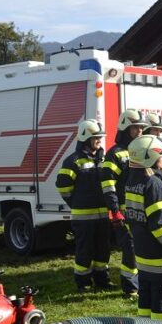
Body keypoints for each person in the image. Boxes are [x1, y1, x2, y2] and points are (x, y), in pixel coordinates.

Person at [124, 135, 162, 324]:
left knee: (146, 296)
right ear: (149, 158)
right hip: (160, 255)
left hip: (142, 252)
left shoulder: (132, 181)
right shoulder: (154, 185)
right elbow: (161, 224)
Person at [55, 119, 112, 292]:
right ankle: (83, 282)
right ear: (85, 137)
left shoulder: (103, 159)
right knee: (85, 250)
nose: (99, 141)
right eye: (96, 137)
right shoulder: (73, 161)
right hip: (83, 216)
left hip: (103, 216)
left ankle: (102, 280)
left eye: (100, 137)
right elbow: (63, 186)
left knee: (103, 250)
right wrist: (75, 202)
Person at [101, 109, 147, 299]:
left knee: (143, 246)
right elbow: (108, 183)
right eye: (135, 128)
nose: (140, 132)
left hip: (143, 208)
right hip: (124, 210)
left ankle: (141, 282)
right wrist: (114, 209)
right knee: (130, 248)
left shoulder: (142, 150)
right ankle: (130, 287)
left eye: (141, 128)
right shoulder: (115, 154)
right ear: (125, 129)